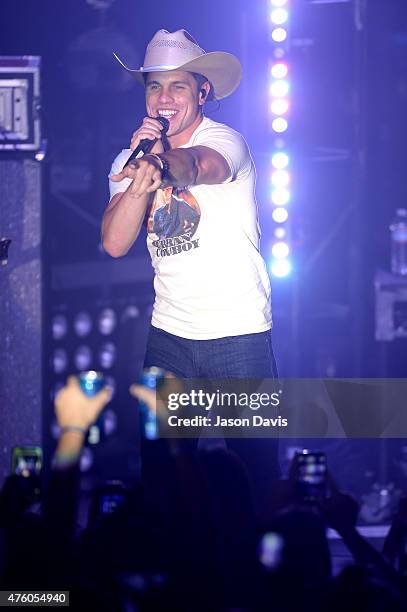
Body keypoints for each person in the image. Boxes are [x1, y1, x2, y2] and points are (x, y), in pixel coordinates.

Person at [102, 29, 279, 499]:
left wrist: (161, 164)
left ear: (202, 92)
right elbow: (116, 243)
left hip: (238, 335)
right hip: (169, 339)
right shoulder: (130, 159)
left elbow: (201, 166)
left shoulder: (225, 140)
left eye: (177, 86)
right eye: (154, 86)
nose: (163, 98)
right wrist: (141, 175)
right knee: (163, 483)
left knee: (256, 481)